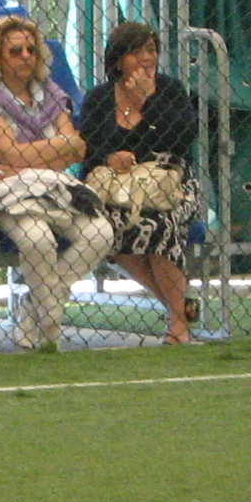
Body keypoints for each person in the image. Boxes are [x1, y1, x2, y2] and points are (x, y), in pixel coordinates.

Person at [0, 16, 110, 351]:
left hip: (52, 187)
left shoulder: (51, 94)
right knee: (38, 239)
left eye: (31, 50)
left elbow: (77, 149)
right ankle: (51, 324)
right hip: (4, 191)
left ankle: (33, 306)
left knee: (101, 233)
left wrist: (26, 159)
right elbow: (10, 153)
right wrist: (55, 148)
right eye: (15, 51)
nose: (26, 57)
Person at [78, 21, 203, 345]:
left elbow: (180, 140)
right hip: (118, 190)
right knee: (112, 227)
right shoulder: (98, 98)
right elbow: (87, 150)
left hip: (169, 185)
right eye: (136, 52)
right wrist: (110, 158)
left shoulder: (171, 90)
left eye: (151, 49)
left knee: (160, 224)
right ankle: (178, 306)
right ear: (118, 60)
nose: (146, 58)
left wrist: (146, 103)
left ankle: (177, 324)